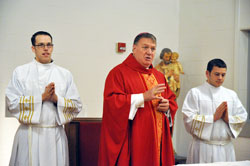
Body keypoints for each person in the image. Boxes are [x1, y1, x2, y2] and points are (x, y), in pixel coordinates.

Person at [98, 33, 178, 166]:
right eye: (145, 47)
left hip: (158, 141)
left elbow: (171, 101)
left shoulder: (159, 76)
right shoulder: (118, 73)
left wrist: (167, 107)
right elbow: (112, 103)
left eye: (153, 49)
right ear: (134, 48)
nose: (149, 52)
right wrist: (142, 97)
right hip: (135, 141)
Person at [5, 31, 82, 166]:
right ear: (33, 48)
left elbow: (76, 105)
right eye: (41, 45)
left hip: (55, 135)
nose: (46, 48)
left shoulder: (65, 74)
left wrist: (56, 99)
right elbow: (12, 103)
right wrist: (41, 97)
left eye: (49, 45)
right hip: (29, 134)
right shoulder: (21, 72)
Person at [182, 58, 247, 163]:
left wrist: (228, 119)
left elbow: (242, 116)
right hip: (203, 148)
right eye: (217, 74)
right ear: (207, 74)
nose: (220, 78)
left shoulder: (231, 95)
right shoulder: (195, 93)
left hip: (226, 148)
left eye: (223, 75)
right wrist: (213, 118)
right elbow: (188, 119)